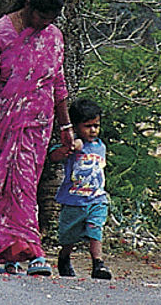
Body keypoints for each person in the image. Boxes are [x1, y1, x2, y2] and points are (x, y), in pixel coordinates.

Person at [0, 0, 72, 275]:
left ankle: (17, 252)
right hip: (4, 123)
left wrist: (66, 127)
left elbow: (58, 83)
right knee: (7, 189)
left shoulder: (54, 36)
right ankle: (30, 254)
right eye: (41, 16)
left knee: (24, 186)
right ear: (28, 5)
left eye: (51, 19)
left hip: (38, 125)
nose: (44, 23)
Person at [50, 98, 113, 280]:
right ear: (76, 127)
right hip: (73, 200)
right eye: (87, 126)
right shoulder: (73, 145)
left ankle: (98, 263)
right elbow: (54, 156)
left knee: (95, 228)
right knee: (69, 236)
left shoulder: (100, 146)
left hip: (96, 199)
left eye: (96, 125)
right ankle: (64, 257)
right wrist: (69, 147)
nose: (93, 130)